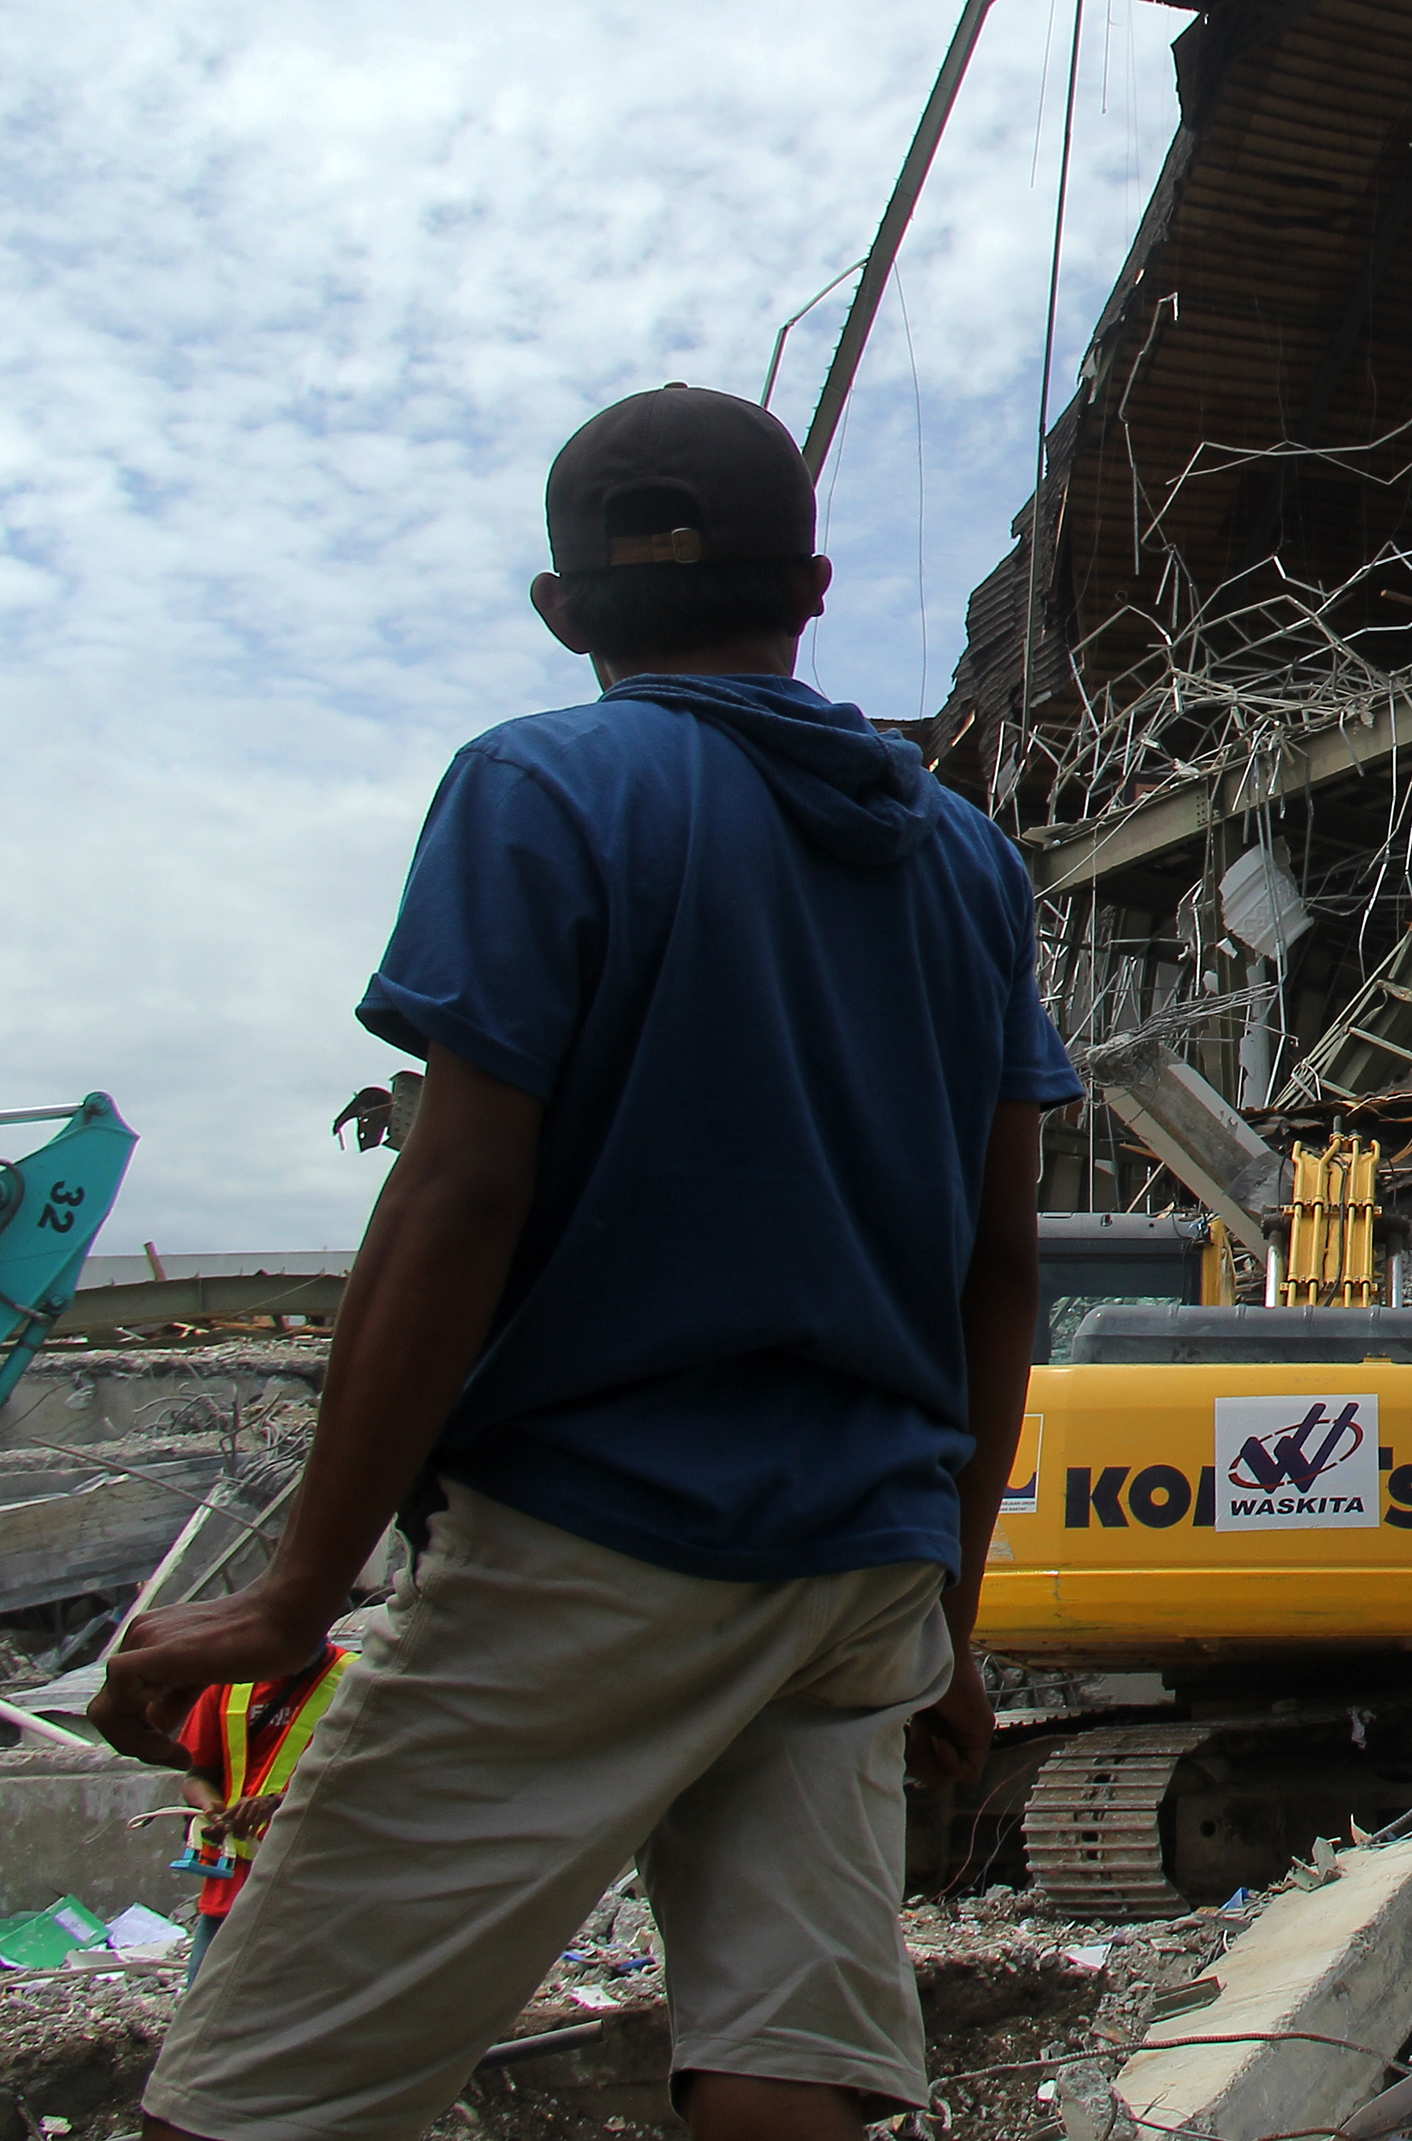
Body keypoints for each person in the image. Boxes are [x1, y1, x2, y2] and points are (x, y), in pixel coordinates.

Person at [97, 385, 1081, 2141]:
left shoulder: (539, 786)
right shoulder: (968, 865)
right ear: (817, 588)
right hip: (859, 1567)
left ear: (563, 610)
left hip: (597, 1537)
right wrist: (946, 1613)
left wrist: (296, 1588)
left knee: (255, 2095)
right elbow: (1000, 1266)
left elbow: (457, 1196)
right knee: (787, 2065)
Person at [170, 1640, 355, 1982]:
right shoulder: (227, 1682)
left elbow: (370, 1780)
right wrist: (212, 1808)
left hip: (320, 1884)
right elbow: (197, 1775)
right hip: (234, 1884)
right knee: (207, 1996)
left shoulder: (355, 1680)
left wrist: (275, 1804)